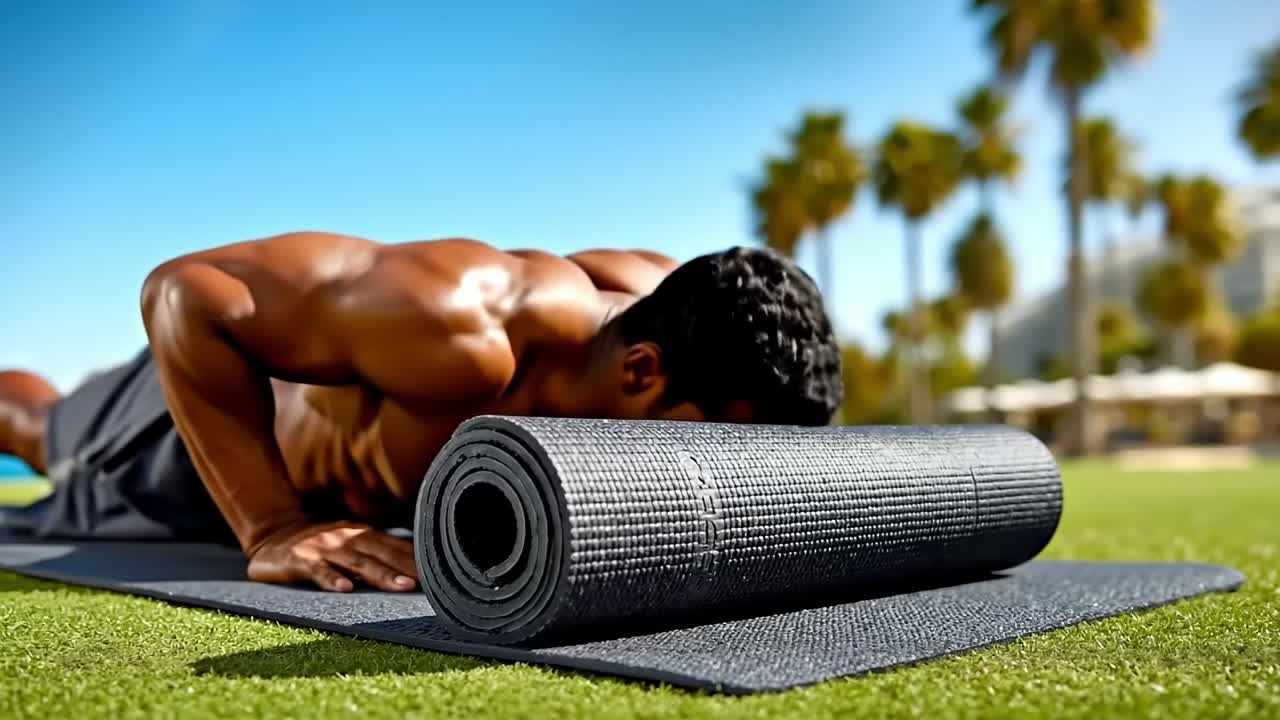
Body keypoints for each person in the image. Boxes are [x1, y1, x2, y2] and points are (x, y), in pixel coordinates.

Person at [0, 232, 843, 592]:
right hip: (188, 439)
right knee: (40, 430)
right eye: (718, 446)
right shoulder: (461, 326)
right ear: (642, 373)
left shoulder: (671, 309)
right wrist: (271, 528)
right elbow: (186, 293)